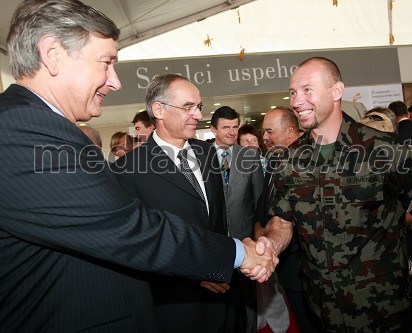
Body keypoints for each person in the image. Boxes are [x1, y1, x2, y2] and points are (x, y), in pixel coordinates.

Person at [0, 1, 275, 332]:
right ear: (53, 54)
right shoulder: (19, 128)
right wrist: (239, 254)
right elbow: (130, 229)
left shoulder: (37, 126)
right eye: (106, 63)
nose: (114, 82)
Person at [258, 57, 412, 332]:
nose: (297, 101)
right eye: (293, 92)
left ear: (336, 91)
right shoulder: (289, 160)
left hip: (384, 311)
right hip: (322, 311)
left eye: (307, 90)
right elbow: (282, 220)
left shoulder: (384, 148)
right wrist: (270, 246)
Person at [111, 74, 241, 332]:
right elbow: (138, 244)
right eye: (188, 107)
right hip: (174, 306)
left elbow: (216, 221)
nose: (197, 115)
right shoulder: (127, 169)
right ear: (158, 110)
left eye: (199, 107)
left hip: (223, 297)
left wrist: (220, 267)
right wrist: (197, 275)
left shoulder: (206, 153)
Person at [255, 106, 317, 333]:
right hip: (282, 266)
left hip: (304, 270)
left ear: (290, 130)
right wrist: (259, 226)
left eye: (269, 132)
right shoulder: (275, 158)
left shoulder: (312, 160)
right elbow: (265, 199)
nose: (265, 138)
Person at [211, 106, 264, 333]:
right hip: (215, 242)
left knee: (249, 300)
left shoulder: (249, 156)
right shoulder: (199, 157)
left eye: (235, 127)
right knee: (218, 300)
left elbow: (259, 201)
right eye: (226, 127)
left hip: (245, 240)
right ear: (213, 129)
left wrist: (258, 236)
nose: (232, 132)